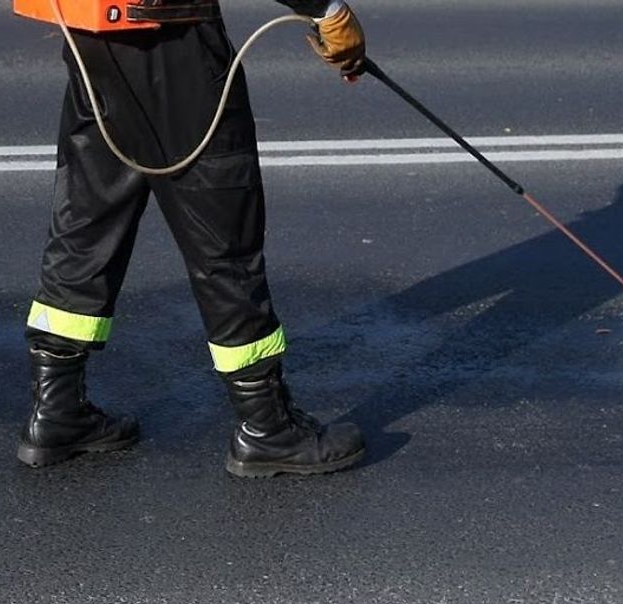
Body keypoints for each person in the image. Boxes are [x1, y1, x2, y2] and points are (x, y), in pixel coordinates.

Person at [18, 0, 367, 477]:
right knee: (222, 227)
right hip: (169, 35)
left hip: (93, 33)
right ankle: (266, 427)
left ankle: (56, 408)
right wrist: (325, 10)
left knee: (89, 213)